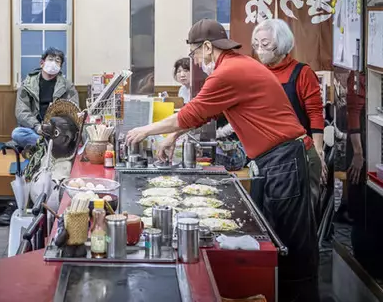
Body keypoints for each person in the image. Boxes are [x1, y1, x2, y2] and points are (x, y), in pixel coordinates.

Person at [126, 19, 319, 302]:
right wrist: (172, 137)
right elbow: (204, 113)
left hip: (285, 160)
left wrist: (145, 130)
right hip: (276, 160)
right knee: (277, 241)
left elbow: (191, 113)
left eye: (193, 54)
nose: (194, 61)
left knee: (292, 247)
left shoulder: (228, 72)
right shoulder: (237, 66)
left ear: (206, 47)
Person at [252, 19, 327, 213]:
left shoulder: (302, 72)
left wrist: (318, 151)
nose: (260, 50)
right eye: (256, 44)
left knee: (302, 214)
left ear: (282, 43)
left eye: (265, 44)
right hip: (269, 154)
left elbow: (315, 113)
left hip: (300, 151)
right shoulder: (257, 73)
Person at [12, 47, 79, 148]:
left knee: (81, 133)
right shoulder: (27, 85)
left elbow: (73, 110)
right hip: (35, 130)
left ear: (60, 66)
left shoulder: (68, 86)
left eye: (57, 61)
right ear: (42, 63)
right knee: (17, 133)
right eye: (50, 59)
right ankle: (47, 145)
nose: (53, 63)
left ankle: (47, 145)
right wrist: (37, 126)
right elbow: (21, 112)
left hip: (58, 130)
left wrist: (58, 127)